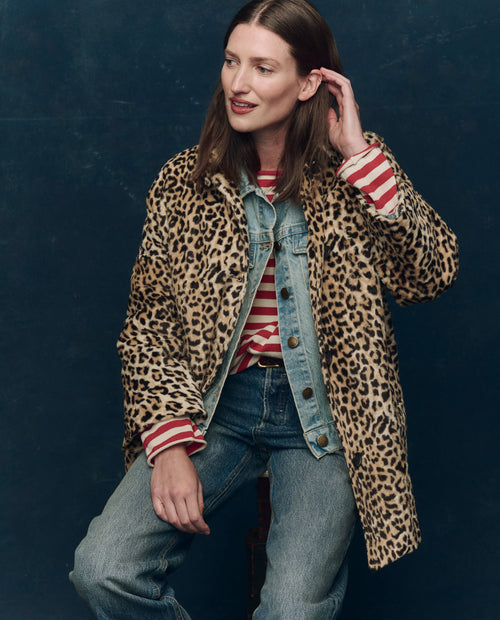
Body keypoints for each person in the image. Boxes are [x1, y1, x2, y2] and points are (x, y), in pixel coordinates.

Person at [70, 0, 459, 618]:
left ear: (308, 83)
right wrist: (168, 444)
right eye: (232, 62)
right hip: (215, 407)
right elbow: (148, 323)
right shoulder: (185, 182)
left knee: (292, 611)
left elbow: (431, 273)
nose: (239, 83)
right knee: (104, 569)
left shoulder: (355, 171)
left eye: (263, 67)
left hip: (325, 420)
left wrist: (360, 158)